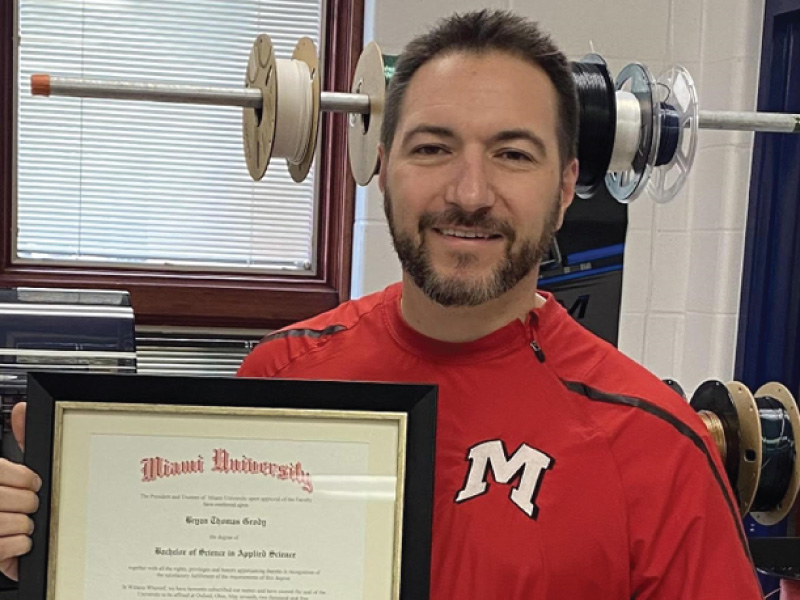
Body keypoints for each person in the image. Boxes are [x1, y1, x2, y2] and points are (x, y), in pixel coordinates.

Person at [0, 9, 766, 599]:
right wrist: (58, 541)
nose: (469, 191)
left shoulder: (655, 449)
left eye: (512, 153)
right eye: (432, 148)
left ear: (566, 186)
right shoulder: (282, 379)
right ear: (382, 165)